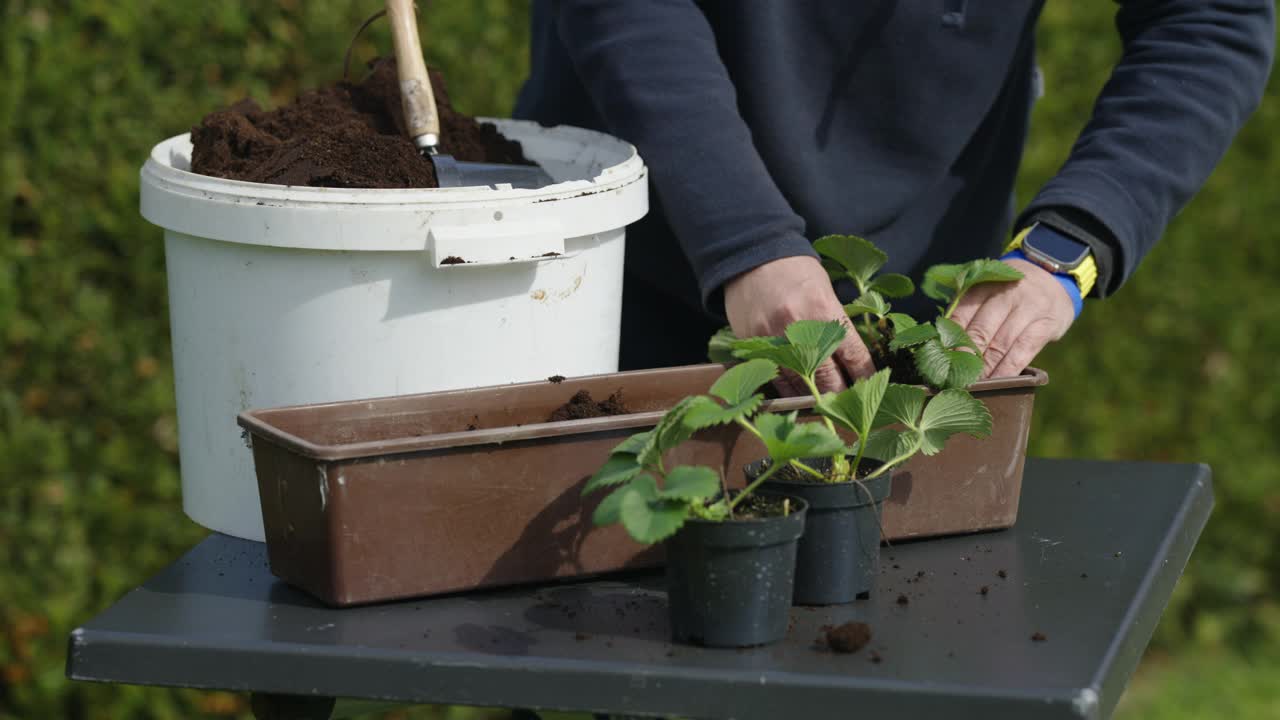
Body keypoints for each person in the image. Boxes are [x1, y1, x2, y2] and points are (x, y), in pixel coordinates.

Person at [514, 1, 1274, 392]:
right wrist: (742, 239)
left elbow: (1207, 16)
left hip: (911, 334)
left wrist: (1072, 243)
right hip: (621, 281)